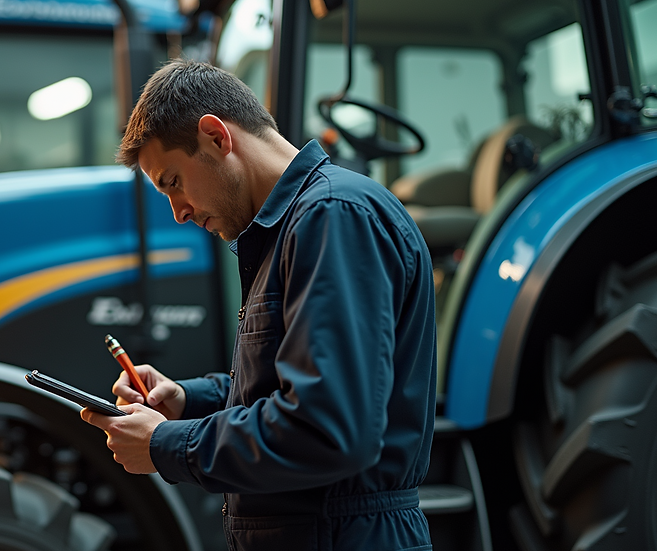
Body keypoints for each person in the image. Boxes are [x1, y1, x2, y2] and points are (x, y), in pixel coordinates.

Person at [81, 58, 436, 551]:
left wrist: (166, 444)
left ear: (215, 137)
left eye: (172, 182)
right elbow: (291, 386)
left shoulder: (333, 217)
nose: (178, 213)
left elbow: (328, 428)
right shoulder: (287, 233)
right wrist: (187, 398)